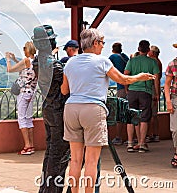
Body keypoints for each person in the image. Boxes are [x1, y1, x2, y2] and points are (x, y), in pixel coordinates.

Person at [61, 28, 155, 193]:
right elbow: (123, 79)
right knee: (91, 160)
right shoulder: (102, 61)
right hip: (92, 109)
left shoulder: (70, 62)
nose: (103, 46)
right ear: (95, 43)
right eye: (102, 43)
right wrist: (140, 77)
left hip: (71, 108)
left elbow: (64, 90)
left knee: (75, 160)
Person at [32, 25, 70, 193]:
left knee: (50, 152)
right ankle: (53, 190)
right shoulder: (55, 66)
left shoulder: (36, 62)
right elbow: (66, 88)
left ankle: (45, 188)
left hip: (48, 108)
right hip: (57, 110)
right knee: (59, 154)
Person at [124, 40, 160, 153]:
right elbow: (156, 79)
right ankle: (142, 144)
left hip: (132, 91)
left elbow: (125, 74)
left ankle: (130, 143)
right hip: (146, 91)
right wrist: (157, 93)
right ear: (148, 50)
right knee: (144, 118)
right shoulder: (152, 62)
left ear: (138, 49)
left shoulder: (132, 61)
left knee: (131, 118)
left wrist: (127, 89)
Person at [6, 41, 38, 155]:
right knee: (28, 118)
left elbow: (10, 69)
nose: (23, 50)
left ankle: (27, 146)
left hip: (23, 92)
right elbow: (25, 69)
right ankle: (32, 145)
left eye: (24, 48)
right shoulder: (36, 62)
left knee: (22, 118)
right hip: (32, 92)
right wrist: (15, 59)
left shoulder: (26, 60)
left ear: (27, 49)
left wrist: (8, 60)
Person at [108, 42, 130, 145]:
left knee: (120, 113)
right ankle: (130, 138)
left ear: (113, 49)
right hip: (130, 87)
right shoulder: (125, 57)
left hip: (121, 87)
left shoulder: (112, 57)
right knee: (129, 112)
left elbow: (106, 68)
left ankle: (118, 137)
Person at [146, 45, 162, 143]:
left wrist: (156, 92)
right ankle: (155, 134)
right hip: (154, 88)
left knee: (151, 113)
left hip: (152, 88)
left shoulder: (154, 62)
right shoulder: (158, 61)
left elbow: (156, 78)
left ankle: (151, 134)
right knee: (154, 114)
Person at [165, 43, 177, 167]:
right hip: (175, 98)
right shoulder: (172, 64)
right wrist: (168, 101)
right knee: (175, 129)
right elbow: (167, 84)